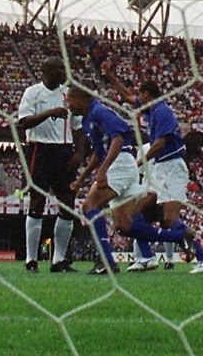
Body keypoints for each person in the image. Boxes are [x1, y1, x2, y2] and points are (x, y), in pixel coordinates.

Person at [101, 61, 203, 274]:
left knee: (169, 220)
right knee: (135, 217)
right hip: (159, 169)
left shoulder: (162, 112)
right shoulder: (149, 110)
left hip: (172, 169)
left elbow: (160, 143)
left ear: (147, 94)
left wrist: (137, 164)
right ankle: (147, 257)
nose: (138, 98)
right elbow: (127, 96)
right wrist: (109, 75)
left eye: (140, 94)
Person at [64, 84, 185, 275]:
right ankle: (178, 237)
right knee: (124, 225)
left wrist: (103, 171)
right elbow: (98, 152)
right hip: (120, 164)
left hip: (120, 162)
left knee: (90, 205)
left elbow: (119, 139)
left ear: (79, 98)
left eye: (69, 100)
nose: (68, 104)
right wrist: (82, 178)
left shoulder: (99, 111)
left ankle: (105, 262)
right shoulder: (88, 118)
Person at [14, 56, 77, 273]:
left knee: (68, 203)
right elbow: (22, 122)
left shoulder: (68, 93)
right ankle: (31, 259)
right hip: (39, 149)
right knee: (37, 201)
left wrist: (79, 153)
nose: (63, 72)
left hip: (64, 149)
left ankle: (58, 260)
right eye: (59, 69)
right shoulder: (33, 92)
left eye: (64, 68)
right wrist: (50, 113)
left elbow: (78, 126)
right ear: (46, 71)